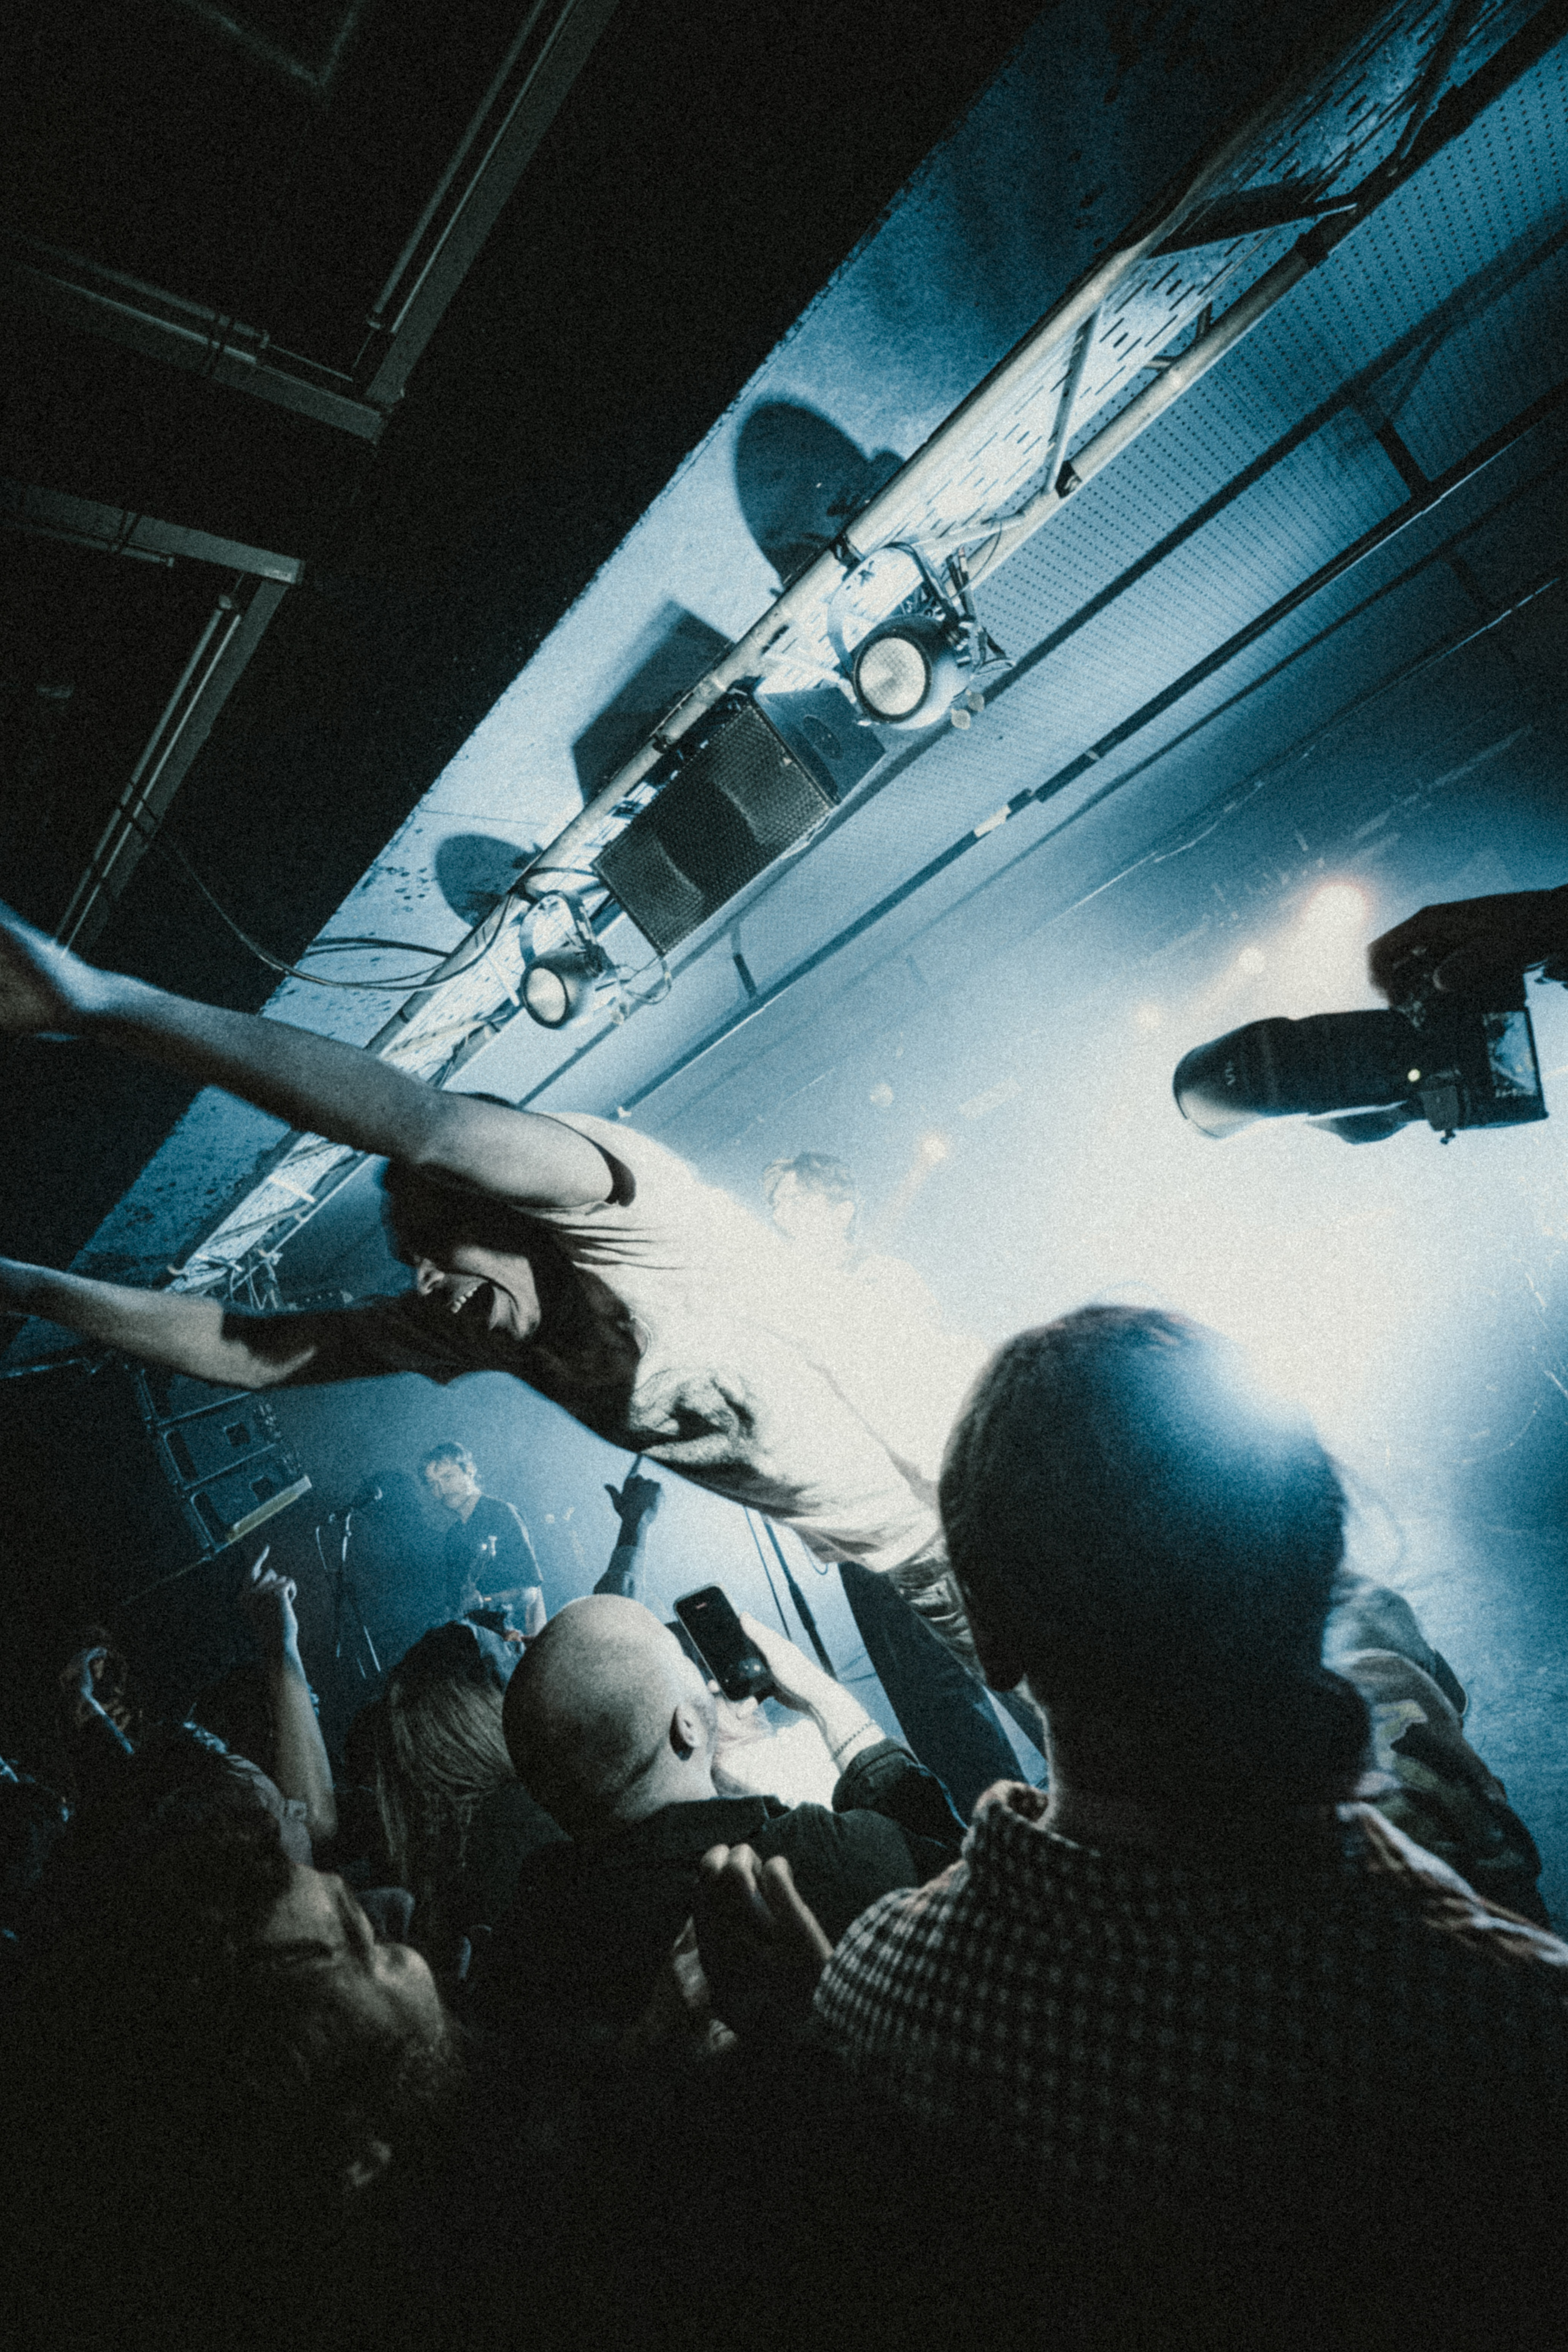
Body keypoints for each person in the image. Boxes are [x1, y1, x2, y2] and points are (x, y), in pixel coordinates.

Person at [697, 1308, 1568, 2327]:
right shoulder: (1506, 2021)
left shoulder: (877, 1994)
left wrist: (806, 2034)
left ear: (988, 1634)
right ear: (1317, 1565)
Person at [0, 903, 972, 1660]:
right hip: (908, 1567)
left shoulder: (629, 1214)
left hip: (977, 1479)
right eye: (410, 1263)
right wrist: (32, 1291)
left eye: (437, 1244)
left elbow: (423, 1126)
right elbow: (248, 1353)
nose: (424, 1280)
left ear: (508, 1213)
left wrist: (103, 1005)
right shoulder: (482, 1324)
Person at [473, 1596, 963, 2049]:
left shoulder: (527, 1937)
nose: (707, 1677)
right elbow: (974, 1894)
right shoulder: (810, 1858)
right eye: (682, 1658)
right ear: (686, 1726)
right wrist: (821, 1697)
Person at [367, 1615, 563, 1975]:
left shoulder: (436, 1842)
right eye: (510, 1650)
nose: (525, 1647)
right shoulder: (526, 1822)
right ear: (477, 1702)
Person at [420, 1440, 545, 1629]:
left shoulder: (502, 1514)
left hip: (509, 1634)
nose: (442, 1490)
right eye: (433, 1485)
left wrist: (486, 1601)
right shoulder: (453, 1536)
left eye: (448, 1477)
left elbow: (530, 1592)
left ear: (470, 1470)